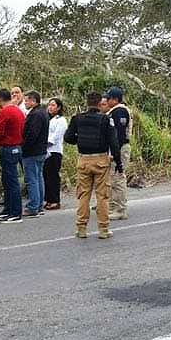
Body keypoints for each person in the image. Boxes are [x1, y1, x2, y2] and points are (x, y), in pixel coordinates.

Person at [64, 92, 123, 239]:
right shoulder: (105, 119)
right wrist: (118, 162)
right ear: (99, 104)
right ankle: (103, 229)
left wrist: (80, 140)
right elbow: (114, 143)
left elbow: (68, 137)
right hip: (101, 160)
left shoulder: (77, 119)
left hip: (83, 160)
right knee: (102, 196)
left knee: (84, 195)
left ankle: (81, 228)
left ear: (86, 103)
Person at [0, 88, 25, 223]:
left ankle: (15, 212)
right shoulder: (18, 110)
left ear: (0, 99)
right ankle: (8, 209)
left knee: (10, 181)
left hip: (8, 146)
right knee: (9, 180)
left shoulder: (4, 112)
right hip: (17, 145)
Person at [104, 86, 132, 220]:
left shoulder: (119, 111)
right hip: (115, 148)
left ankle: (120, 209)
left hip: (119, 148)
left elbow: (119, 135)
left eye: (108, 98)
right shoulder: (113, 111)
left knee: (117, 178)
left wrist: (115, 153)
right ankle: (112, 206)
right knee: (112, 178)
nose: (106, 101)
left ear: (115, 99)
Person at [22, 90, 50, 217]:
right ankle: (38, 205)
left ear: (33, 101)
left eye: (27, 100)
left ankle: (33, 206)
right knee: (38, 177)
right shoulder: (43, 113)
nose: (25, 103)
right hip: (40, 150)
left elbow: (32, 134)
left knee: (32, 179)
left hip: (32, 151)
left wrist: (24, 146)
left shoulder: (35, 115)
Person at [43, 97, 67, 210]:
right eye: (49, 105)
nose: (50, 107)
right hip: (45, 151)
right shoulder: (48, 118)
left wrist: (47, 142)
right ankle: (48, 199)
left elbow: (56, 136)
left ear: (58, 107)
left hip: (54, 150)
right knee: (46, 175)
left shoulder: (61, 120)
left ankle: (55, 200)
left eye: (53, 105)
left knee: (53, 176)